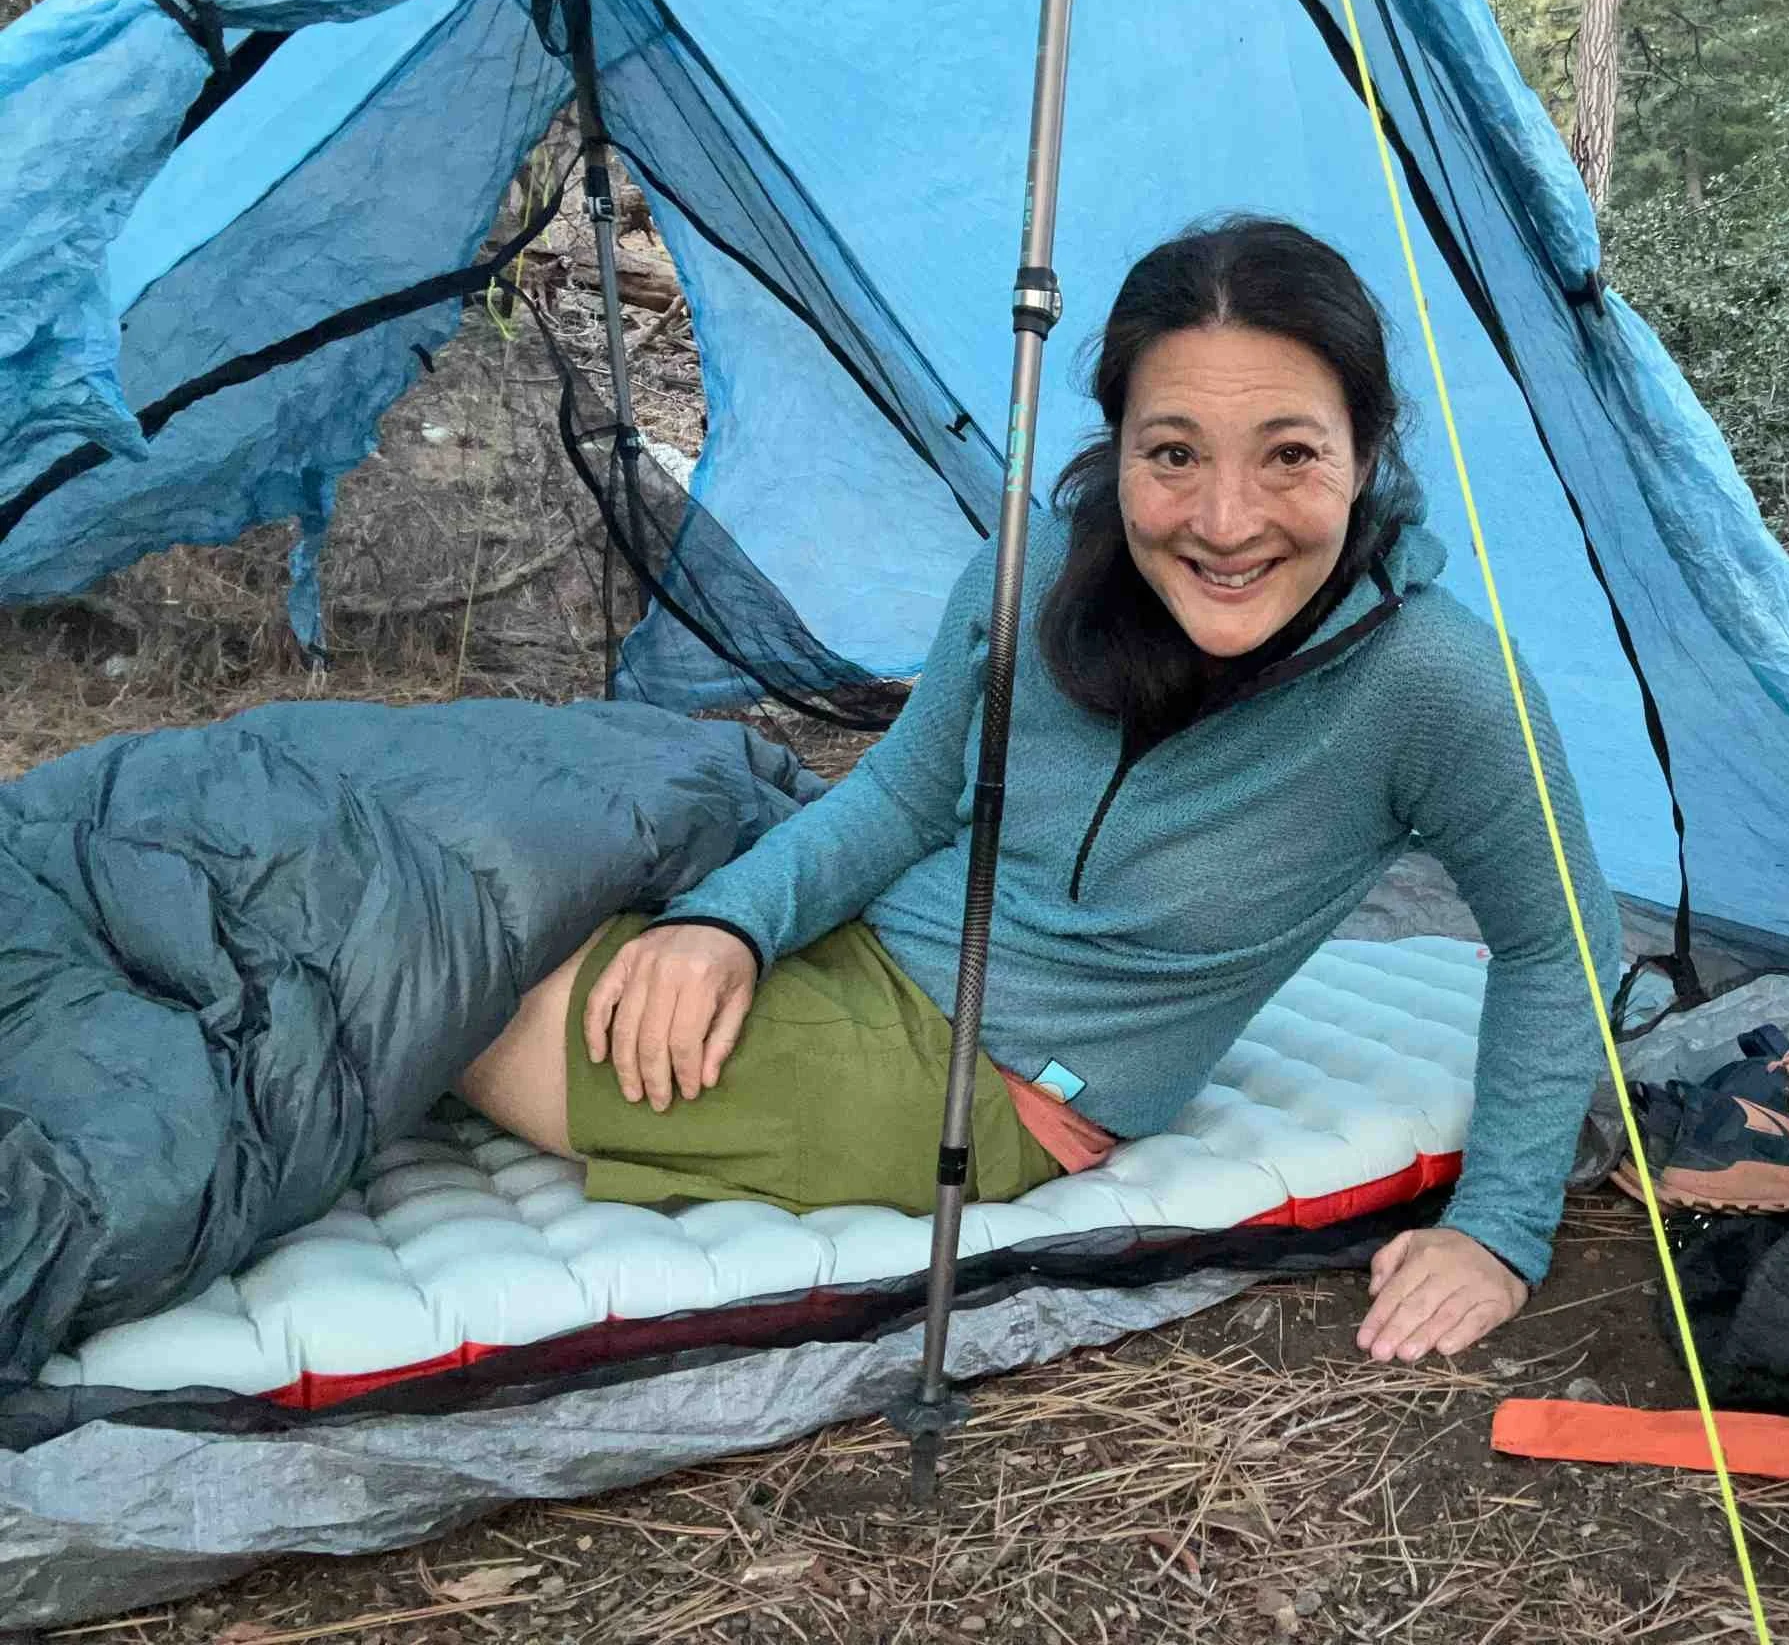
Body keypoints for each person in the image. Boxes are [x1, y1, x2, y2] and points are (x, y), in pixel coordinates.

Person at [456, 215, 1620, 1364]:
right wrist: (733, 923)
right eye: (1173, 454)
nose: (1226, 522)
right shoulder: (1030, 573)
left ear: (1367, 454)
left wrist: (1500, 1231)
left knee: (468, 989)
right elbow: (904, 799)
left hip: (988, 1079)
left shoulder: (1432, 679)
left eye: (1291, 454)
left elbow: (1557, 942)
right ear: (1118, 449)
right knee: (458, 869)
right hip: (866, 940)